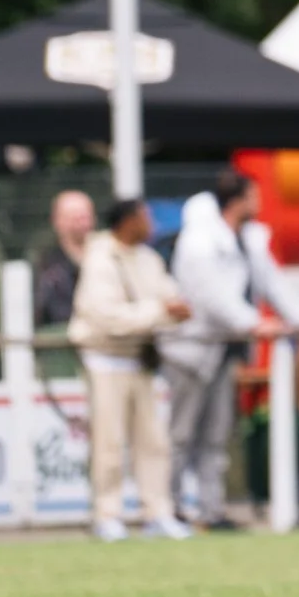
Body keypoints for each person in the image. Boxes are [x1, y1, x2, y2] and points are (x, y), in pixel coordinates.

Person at [68, 198, 192, 542]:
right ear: (126, 222)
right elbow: (108, 318)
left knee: (153, 442)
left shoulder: (149, 259)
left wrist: (170, 309)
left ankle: (158, 512)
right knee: (108, 442)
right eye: (144, 216)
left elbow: (171, 299)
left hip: (141, 360)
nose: (150, 222)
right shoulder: (100, 258)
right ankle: (107, 515)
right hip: (104, 359)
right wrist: (160, 312)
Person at [164, 173, 269, 527]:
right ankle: (168, 509)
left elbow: (269, 282)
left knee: (216, 436)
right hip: (190, 354)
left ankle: (211, 510)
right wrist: (254, 323)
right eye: (253, 195)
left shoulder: (243, 239)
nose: (259, 201)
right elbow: (212, 298)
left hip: (222, 351)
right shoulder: (198, 241)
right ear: (237, 199)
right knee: (180, 435)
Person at [32, 190, 96, 332]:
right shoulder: (46, 262)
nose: (82, 224)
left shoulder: (106, 254)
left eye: (85, 217)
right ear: (57, 221)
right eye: (75, 218)